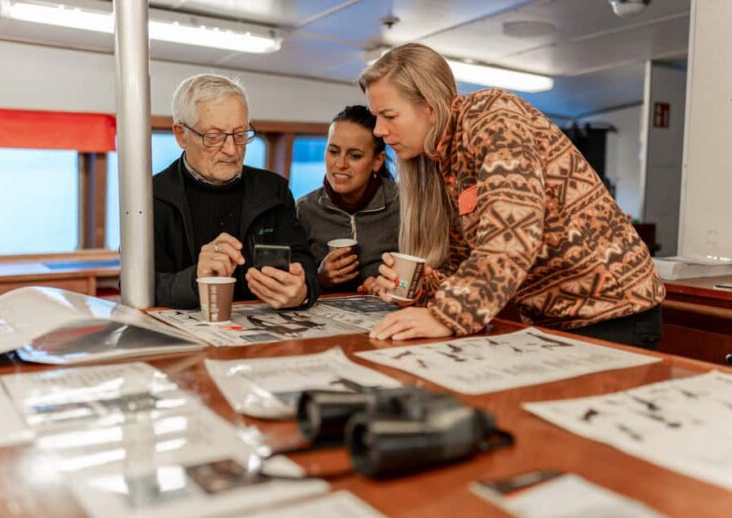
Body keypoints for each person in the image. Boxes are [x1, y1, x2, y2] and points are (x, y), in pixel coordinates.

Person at [360, 43, 665, 349]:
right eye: (376, 117)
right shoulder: (446, 161)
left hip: (613, 313)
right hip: (556, 318)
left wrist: (446, 315)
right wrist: (420, 286)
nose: (378, 130)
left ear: (429, 107)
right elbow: (470, 266)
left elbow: (513, 234)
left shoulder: (494, 116)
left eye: (389, 115)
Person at [153, 74, 319, 310]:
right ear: (181, 135)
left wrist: (302, 291)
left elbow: (304, 263)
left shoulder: (274, 190)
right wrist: (195, 279)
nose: (232, 150)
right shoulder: (150, 198)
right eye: (214, 137)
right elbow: (140, 288)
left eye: (240, 135)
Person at [296, 105, 399, 293]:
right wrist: (319, 279)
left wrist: (395, 286)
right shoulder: (303, 209)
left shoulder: (404, 205)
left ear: (377, 161)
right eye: (333, 152)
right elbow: (291, 286)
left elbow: (420, 280)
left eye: (355, 156)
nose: (340, 164)